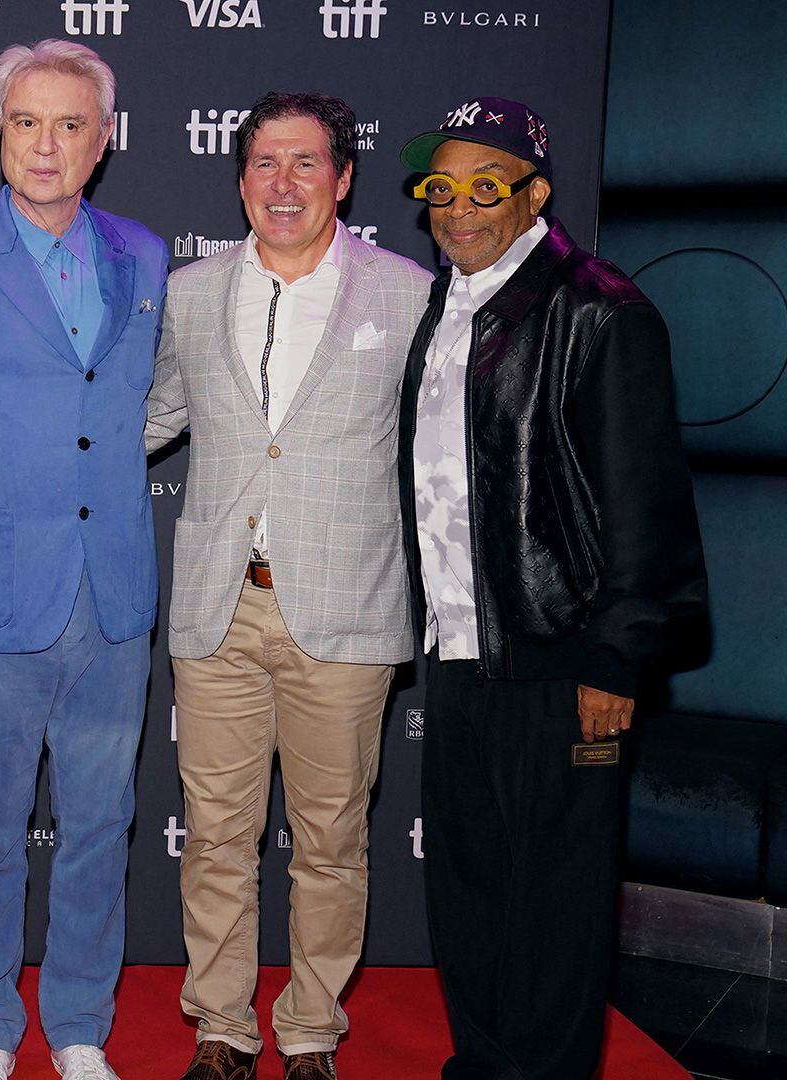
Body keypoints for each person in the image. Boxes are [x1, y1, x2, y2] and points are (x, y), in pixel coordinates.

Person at [397, 97, 706, 1079]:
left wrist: (618, 658)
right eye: (440, 188)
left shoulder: (599, 311)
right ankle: (482, 1065)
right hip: (461, 648)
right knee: (472, 884)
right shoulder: (449, 303)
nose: (457, 208)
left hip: (564, 659)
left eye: (485, 188)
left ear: (536, 194)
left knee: (558, 904)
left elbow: (644, 502)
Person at [142, 92, 432, 1080]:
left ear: (344, 178)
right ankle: (222, 1026)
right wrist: (41, 461)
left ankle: (311, 1030)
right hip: (217, 607)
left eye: (305, 163)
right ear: (240, 178)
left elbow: (440, 450)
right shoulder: (190, 291)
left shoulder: (407, 293)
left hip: (348, 611)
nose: (283, 183)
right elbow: (157, 414)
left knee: (330, 841)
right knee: (216, 837)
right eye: (264, 163)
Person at [0, 39, 167, 1080]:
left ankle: (77, 1027)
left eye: (69, 125)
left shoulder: (146, 257)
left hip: (112, 595)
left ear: (103, 141)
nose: (45, 144)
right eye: (25, 123)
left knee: (103, 827)